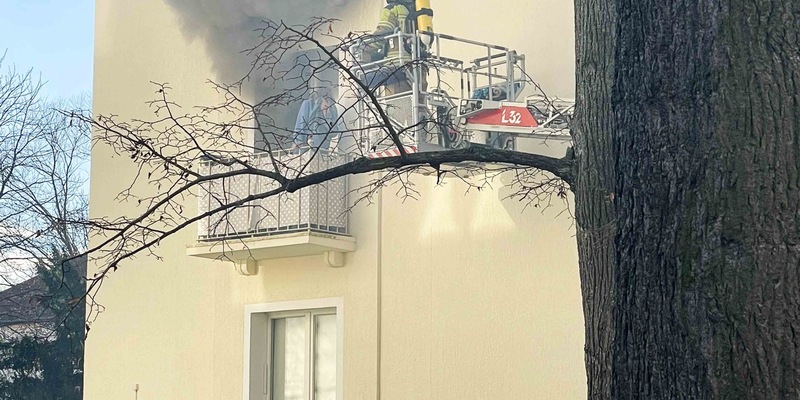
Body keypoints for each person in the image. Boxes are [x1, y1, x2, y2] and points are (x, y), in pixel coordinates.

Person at [293, 84, 344, 152]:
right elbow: (300, 125)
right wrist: (298, 143)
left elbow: (334, 133)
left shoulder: (332, 108)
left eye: (329, 101)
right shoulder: (308, 104)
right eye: (326, 100)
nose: (328, 104)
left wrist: (327, 116)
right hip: (305, 148)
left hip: (323, 150)